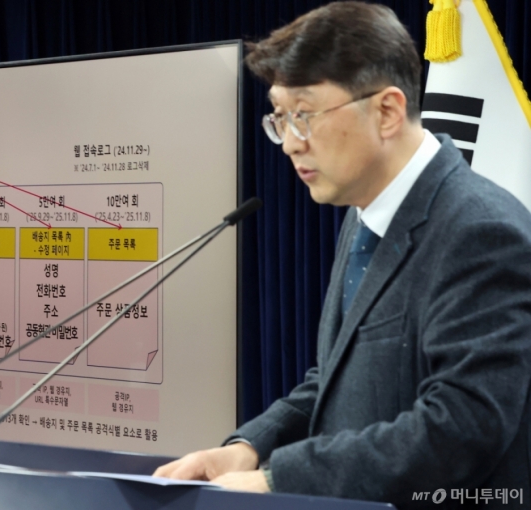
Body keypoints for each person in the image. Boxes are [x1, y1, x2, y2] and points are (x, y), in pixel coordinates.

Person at [154, 2, 531, 508]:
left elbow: (463, 427)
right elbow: (337, 378)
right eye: (280, 118)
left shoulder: (479, 231)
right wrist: (250, 446)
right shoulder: (364, 215)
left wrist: (280, 479)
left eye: (304, 116)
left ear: (387, 111)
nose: (289, 144)